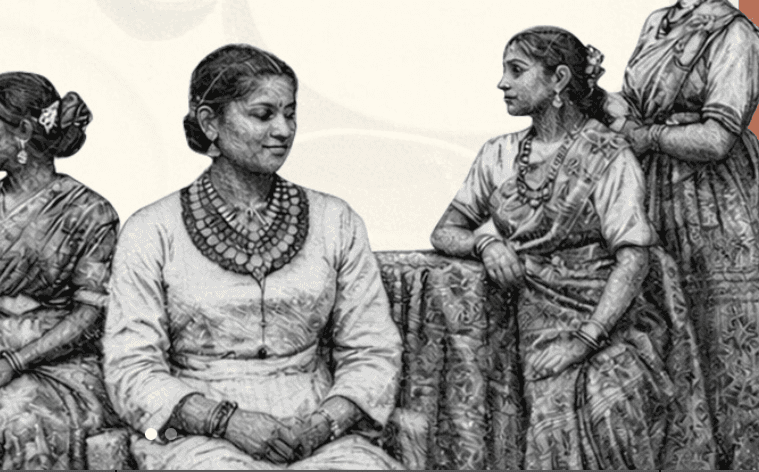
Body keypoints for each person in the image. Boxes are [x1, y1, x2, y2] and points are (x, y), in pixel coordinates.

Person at [103, 43, 403, 470]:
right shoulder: (152, 229)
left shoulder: (335, 219)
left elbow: (372, 349)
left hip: (316, 427)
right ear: (210, 122)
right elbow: (131, 366)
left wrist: (321, 424)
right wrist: (227, 421)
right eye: (263, 115)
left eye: (290, 113)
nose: (283, 130)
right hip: (193, 432)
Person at [430, 27, 715, 469]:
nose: (502, 83)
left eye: (516, 70)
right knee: (552, 399)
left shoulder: (609, 155)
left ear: (559, 79)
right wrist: (486, 242)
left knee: (610, 402)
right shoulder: (497, 155)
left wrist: (584, 342)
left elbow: (634, 257)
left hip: (612, 324)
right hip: (538, 322)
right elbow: (445, 232)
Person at [0, 72, 119, 470]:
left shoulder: (90, 211)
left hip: (58, 362)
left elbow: (89, 315)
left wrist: (13, 364)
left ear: (24, 131)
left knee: (17, 420)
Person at [606, 0, 759, 467]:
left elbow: (717, 139)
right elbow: (631, 105)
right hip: (653, 193)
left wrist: (647, 137)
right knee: (662, 330)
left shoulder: (737, 34)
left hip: (715, 204)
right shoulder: (657, 21)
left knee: (722, 342)